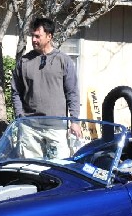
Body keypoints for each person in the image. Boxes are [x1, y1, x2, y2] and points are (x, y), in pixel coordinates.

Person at [11, 17, 82, 159]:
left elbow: (72, 93)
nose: (33, 40)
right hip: (29, 128)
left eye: (38, 36)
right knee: (31, 169)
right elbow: (16, 92)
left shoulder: (63, 61)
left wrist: (74, 121)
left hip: (56, 128)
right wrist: (20, 116)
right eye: (32, 35)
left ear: (49, 37)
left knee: (58, 168)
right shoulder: (24, 62)